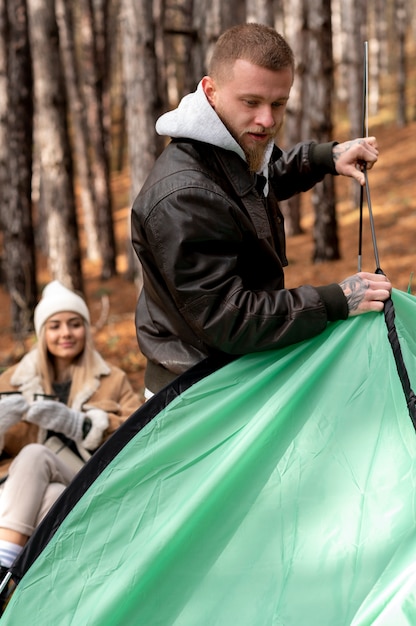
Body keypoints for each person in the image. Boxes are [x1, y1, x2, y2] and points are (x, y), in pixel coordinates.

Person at [131, 22, 392, 398]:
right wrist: (336, 299)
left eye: (278, 103)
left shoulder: (228, 145)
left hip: (238, 373)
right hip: (196, 394)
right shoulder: (183, 196)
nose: (267, 120)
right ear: (211, 90)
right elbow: (230, 318)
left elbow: (257, 182)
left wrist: (326, 157)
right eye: (251, 102)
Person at [0, 280, 139, 606]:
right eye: (56, 326)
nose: (66, 333)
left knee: (36, 453)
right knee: (50, 496)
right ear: (42, 332)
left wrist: (83, 424)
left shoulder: (113, 379)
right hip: (30, 493)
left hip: (89, 483)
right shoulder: (13, 380)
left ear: (86, 330)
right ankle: (22, 596)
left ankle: (3, 564)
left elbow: (140, 435)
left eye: (75, 324)